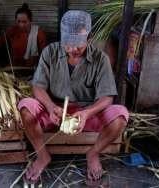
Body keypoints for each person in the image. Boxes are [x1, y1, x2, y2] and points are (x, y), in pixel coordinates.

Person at [17, 10, 129, 183]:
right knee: (25, 106)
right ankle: (42, 155)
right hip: (54, 111)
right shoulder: (50, 52)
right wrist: (50, 107)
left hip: (86, 113)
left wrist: (87, 113)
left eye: (79, 45)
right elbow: (38, 87)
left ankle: (93, 153)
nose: (72, 50)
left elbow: (107, 97)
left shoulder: (101, 59)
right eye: (67, 44)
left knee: (120, 115)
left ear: (89, 38)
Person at [0, 3, 47, 67]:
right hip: (14, 69)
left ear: (30, 21)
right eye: (18, 21)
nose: (21, 25)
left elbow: (44, 56)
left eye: (24, 22)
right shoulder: (12, 31)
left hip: (32, 70)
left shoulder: (39, 34)